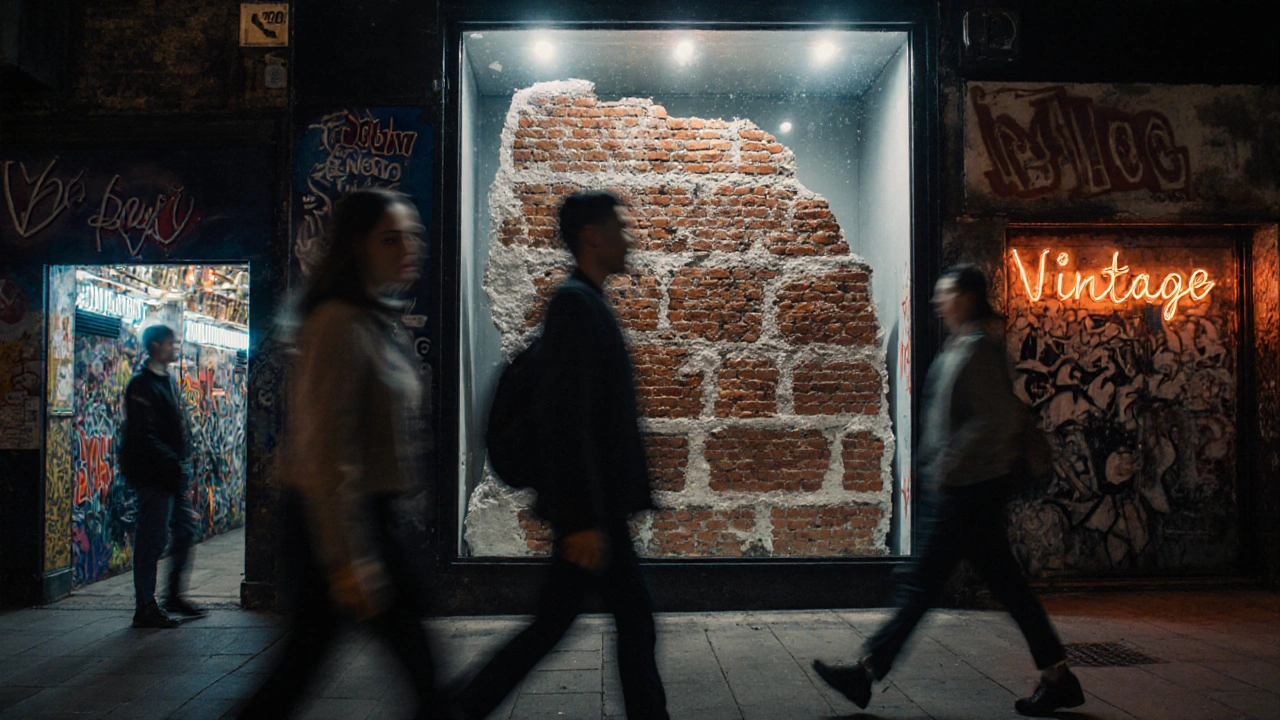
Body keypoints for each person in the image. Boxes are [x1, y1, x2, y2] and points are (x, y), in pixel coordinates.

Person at [812, 265, 1085, 717]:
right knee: (1003, 586)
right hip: (964, 488)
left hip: (968, 491)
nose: (938, 302)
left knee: (922, 587)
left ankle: (864, 672)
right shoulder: (963, 346)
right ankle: (1058, 677)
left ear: (968, 298)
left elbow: (994, 419)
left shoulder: (979, 350)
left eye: (945, 294)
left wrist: (947, 464)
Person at [453, 190, 669, 720]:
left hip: (596, 510)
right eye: (618, 226)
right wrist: (578, 520)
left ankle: (458, 709)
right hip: (589, 513)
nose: (629, 237)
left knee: (591, 622)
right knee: (592, 623)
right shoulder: (575, 305)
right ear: (591, 236)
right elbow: (567, 421)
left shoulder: (586, 301)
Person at [238, 188, 448, 719]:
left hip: (371, 519)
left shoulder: (376, 319)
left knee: (301, 670)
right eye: (391, 238)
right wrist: (348, 558)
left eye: (413, 236)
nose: (408, 247)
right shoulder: (337, 322)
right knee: (408, 669)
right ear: (357, 245)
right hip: (338, 523)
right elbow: (327, 448)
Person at [120, 323, 203, 629]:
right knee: (151, 541)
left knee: (184, 532)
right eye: (171, 343)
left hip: (170, 475)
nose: (175, 348)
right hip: (153, 475)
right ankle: (145, 606)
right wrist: (173, 461)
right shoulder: (141, 384)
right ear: (156, 346)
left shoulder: (164, 380)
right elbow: (144, 435)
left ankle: (173, 596)